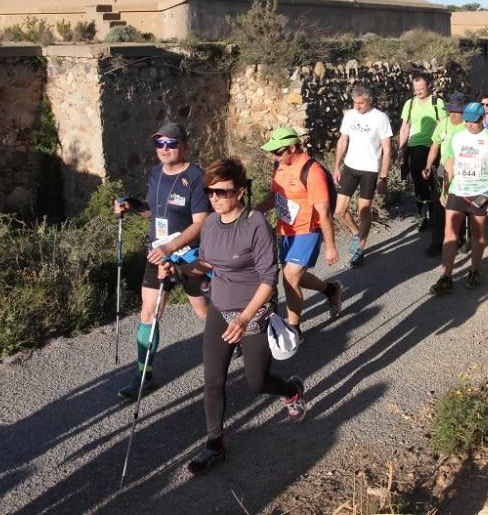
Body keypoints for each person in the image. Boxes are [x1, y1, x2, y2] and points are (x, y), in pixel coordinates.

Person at [161, 157, 306, 475]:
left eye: (222, 192)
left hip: (254, 313)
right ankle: (215, 445)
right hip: (219, 310)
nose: (214, 198)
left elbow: (269, 280)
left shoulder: (256, 225)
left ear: (240, 192)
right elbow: (208, 264)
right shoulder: (211, 224)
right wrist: (178, 270)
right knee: (213, 382)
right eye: (210, 192)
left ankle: (290, 390)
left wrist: (243, 319)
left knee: (256, 382)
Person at [113, 122, 210, 399]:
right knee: (149, 313)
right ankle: (143, 375)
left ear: (184, 145)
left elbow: (201, 223)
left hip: (189, 255)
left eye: (171, 143)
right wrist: (131, 206)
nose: (164, 149)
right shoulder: (155, 173)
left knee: (204, 312)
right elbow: (153, 213)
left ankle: (234, 337)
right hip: (158, 254)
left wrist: (172, 246)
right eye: (160, 144)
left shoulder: (195, 177)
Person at [256, 127, 342, 341]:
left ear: (292, 147)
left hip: (307, 231)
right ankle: (331, 290)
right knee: (296, 277)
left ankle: (294, 328)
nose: (273, 156)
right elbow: (272, 198)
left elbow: (324, 213)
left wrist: (330, 246)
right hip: (285, 231)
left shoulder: (313, 172)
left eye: (277, 151)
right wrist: (251, 212)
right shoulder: (281, 167)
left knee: (290, 276)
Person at [430, 102, 488, 295]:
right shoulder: (457, 136)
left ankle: (474, 271)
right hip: (458, 190)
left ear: (483, 119)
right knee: (450, 235)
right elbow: (449, 165)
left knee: (477, 234)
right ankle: (446, 277)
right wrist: (444, 191)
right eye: (467, 121)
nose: (470, 125)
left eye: (474, 121)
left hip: (481, 192)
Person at [333, 84, 393, 267]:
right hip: (350, 167)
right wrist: (337, 166)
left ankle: (360, 248)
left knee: (364, 211)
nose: (357, 106)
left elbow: (387, 149)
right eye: (354, 102)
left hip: (370, 170)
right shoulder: (350, 115)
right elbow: (343, 140)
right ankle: (355, 232)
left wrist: (383, 177)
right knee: (339, 210)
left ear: (370, 101)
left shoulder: (380, 118)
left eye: (360, 103)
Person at [398, 72, 446, 232]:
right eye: (415, 89)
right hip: (414, 147)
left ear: (429, 87)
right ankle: (422, 215)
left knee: (434, 183)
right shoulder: (410, 104)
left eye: (421, 89)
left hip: (433, 147)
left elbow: (443, 125)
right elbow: (405, 127)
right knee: (418, 184)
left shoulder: (437, 103)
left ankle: (434, 213)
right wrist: (401, 148)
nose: (418, 92)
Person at [421, 92, 468, 257]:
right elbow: (434, 147)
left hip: (462, 171)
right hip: (442, 168)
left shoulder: (468, 126)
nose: (454, 114)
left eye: (458, 111)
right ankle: (437, 241)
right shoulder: (443, 124)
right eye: (452, 110)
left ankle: (460, 239)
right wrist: (428, 166)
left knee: (459, 205)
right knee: (439, 204)